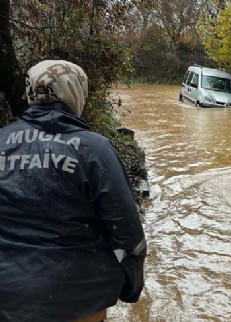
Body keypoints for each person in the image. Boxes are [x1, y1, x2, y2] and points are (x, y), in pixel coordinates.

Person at [0, 60, 147, 321]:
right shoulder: (94, 149)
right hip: (78, 299)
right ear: (77, 93)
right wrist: (131, 289)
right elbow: (128, 236)